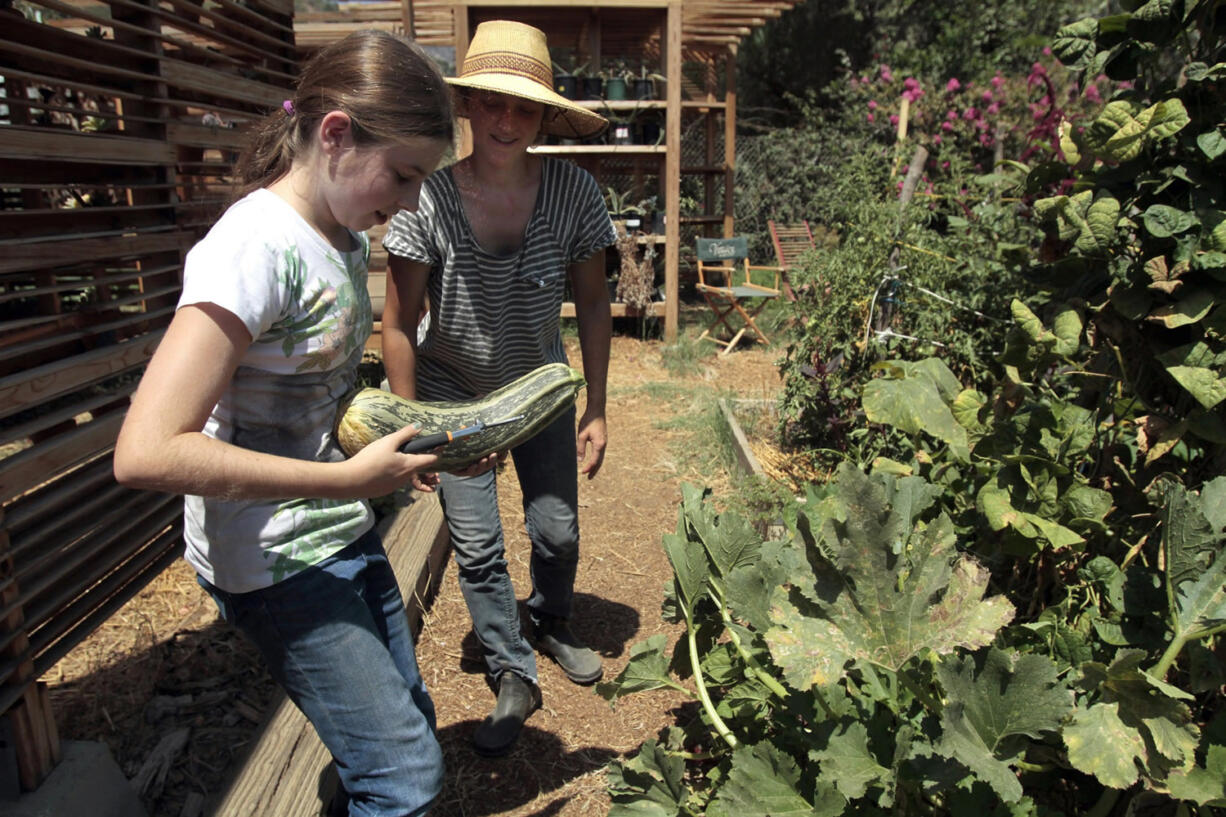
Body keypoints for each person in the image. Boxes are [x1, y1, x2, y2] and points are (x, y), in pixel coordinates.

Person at [112, 30, 482, 817]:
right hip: (275, 559)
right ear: (336, 134)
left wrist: (421, 448)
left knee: (404, 725)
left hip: (336, 524)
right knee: (405, 777)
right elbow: (145, 452)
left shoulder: (341, 238)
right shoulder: (252, 248)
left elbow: (310, 396)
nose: (411, 202)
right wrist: (347, 479)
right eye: (405, 176)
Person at [381, 20, 616, 757]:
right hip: (455, 396)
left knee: (557, 530)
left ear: (545, 115)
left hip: (542, 388)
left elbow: (595, 305)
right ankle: (512, 667)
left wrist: (599, 405)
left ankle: (549, 617)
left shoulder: (576, 194)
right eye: (491, 102)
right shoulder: (430, 201)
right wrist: (412, 427)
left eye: (523, 107)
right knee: (478, 546)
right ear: (469, 107)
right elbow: (397, 322)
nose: (506, 121)